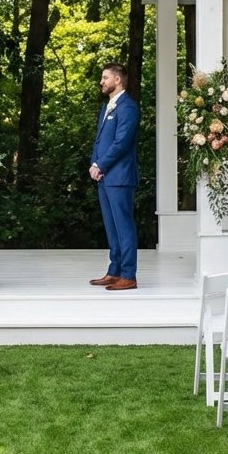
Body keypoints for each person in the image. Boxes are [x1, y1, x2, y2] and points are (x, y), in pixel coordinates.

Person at [89, 63, 140, 291]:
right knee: (111, 226)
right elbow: (100, 140)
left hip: (120, 176)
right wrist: (94, 164)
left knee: (123, 226)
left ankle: (128, 275)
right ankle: (114, 270)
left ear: (118, 80)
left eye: (105, 77)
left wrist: (101, 164)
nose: (102, 81)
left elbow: (122, 143)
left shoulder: (128, 107)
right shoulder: (107, 107)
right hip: (104, 176)